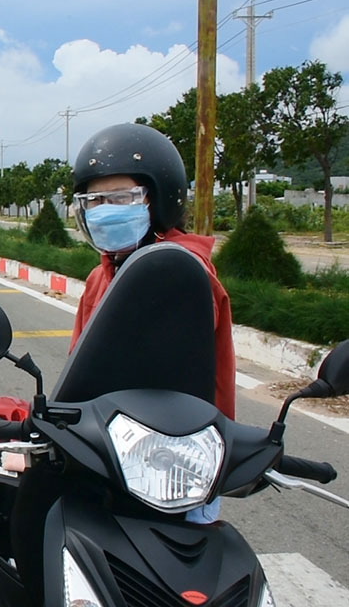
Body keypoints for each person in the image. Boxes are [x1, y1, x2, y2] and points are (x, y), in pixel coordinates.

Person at [69, 122, 234, 522]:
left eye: (122, 197)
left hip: (175, 465)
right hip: (107, 453)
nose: (105, 210)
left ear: (156, 200)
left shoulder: (181, 271)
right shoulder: (101, 275)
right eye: (95, 200)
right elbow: (80, 373)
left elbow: (167, 379)